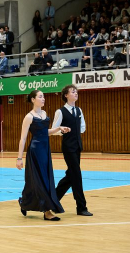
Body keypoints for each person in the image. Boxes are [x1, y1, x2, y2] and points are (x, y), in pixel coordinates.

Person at [16, 90, 70, 221]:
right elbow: (23, 138)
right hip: (35, 152)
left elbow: (46, 132)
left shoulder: (44, 113)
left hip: (45, 150)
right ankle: (47, 211)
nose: (43, 98)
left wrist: (59, 128)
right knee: (41, 181)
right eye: (40, 96)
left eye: (43, 96)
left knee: (37, 181)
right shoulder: (29, 117)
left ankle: (24, 202)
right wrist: (19, 158)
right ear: (33, 99)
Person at [52, 85, 93, 217]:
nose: (76, 93)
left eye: (76, 92)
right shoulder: (60, 112)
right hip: (68, 148)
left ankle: (52, 200)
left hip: (77, 147)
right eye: (73, 92)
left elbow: (83, 128)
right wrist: (62, 130)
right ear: (66, 95)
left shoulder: (79, 110)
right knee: (76, 175)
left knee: (71, 176)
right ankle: (81, 207)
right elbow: (54, 130)